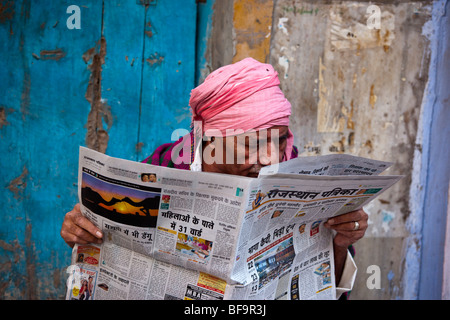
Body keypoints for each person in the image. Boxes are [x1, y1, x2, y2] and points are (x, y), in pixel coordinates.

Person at [61, 57, 368, 299]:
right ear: (210, 139)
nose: (271, 157)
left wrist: (341, 243)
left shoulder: (298, 173)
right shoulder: (166, 167)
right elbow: (101, 246)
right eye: (252, 143)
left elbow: (329, 288)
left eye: (280, 139)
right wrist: (81, 226)